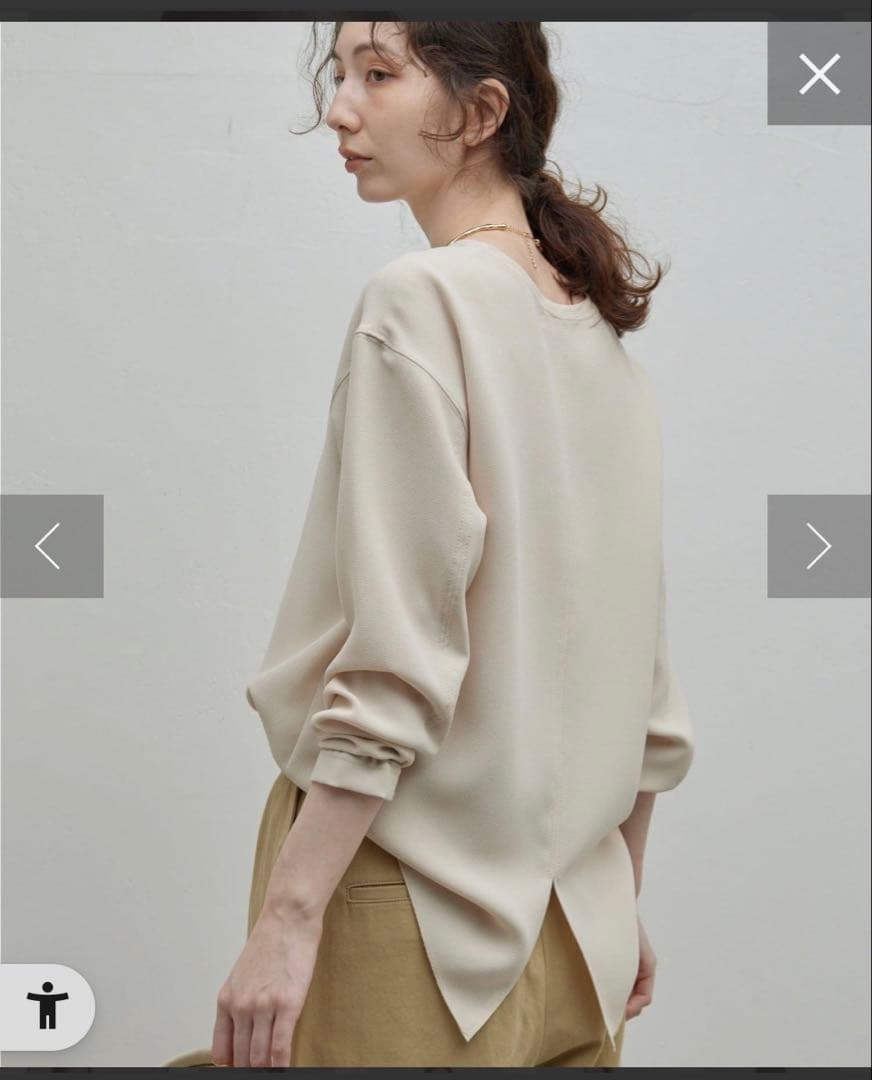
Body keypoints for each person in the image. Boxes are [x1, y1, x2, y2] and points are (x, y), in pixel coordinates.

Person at [211, 20, 695, 1069]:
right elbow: (644, 685)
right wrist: (616, 897)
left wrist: (290, 916)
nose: (340, 109)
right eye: (339, 73)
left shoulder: (419, 302)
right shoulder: (599, 339)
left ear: (480, 113)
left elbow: (396, 658)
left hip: (409, 904)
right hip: (576, 930)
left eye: (378, 74)